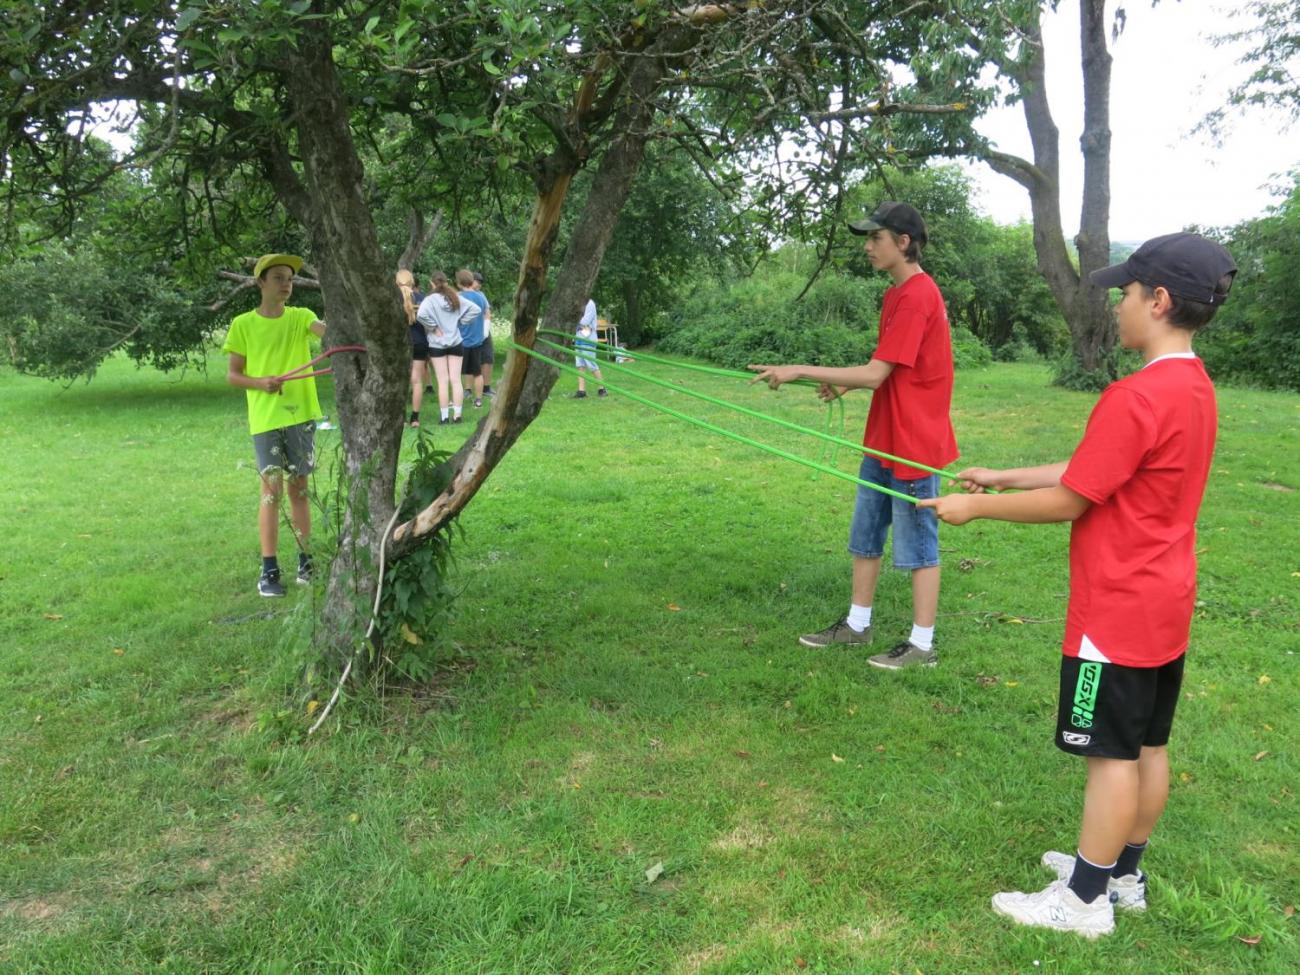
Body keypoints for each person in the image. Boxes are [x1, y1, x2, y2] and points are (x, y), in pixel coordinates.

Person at [920, 233, 1236, 937]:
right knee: (1147, 744)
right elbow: (1096, 467)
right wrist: (1003, 474)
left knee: (1109, 754)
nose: (1117, 305)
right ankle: (1122, 874)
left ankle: (1082, 901)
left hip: (1117, 608)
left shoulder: (1133, 394)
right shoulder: (1194, 386)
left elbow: (1073, 498)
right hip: (1164, 603)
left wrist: (975, 507)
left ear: (1158, 301)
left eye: (1125, 293)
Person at [749, 202, 956, 668]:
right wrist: (844, 381)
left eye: (875, 238)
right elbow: (890, 364)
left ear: (903, 242)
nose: (868, 247)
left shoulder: (919, 295)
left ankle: (922, 644)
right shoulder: (896, 294)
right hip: (886, 436)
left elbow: (877, 373)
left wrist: (799, 368)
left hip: (914, 443)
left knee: (918, 541)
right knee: (866, 533)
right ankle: (856, 626)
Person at [223, 253, 326, 597]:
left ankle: (306, 561)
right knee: (271, 492)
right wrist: (260, 383)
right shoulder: (243, 324)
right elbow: (234, 375)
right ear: (260, 283)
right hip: (266, 419)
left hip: (301, 415)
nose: (287, 284)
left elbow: (326, 333)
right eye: (279, 278)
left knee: (299, 490)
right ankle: (269, 570)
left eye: (290, 279)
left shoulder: (300, 317)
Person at [417, 271, 479, 424]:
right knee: (456, 379)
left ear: (432, 283)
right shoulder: (455, 297)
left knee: (442, 381)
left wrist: (433, 327)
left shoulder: (429, 300)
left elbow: (420, 315)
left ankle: (444, 417)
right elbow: (476, 310)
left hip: (437, 344)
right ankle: (457, 416)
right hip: (456, 343)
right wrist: (460, 322)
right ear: (446, 282)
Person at [397, 269, 427, 427]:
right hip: (420, 342)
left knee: (399, 381)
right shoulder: (422, 298)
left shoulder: (392, 298)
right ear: (412, 281)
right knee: (416, 381)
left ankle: (399, 418)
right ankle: (415, 418)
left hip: (399, 343)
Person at [456, 268, 489, 407]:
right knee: (477, 373)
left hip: (461, 341)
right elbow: (486, 314)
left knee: (456, 374)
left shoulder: (457, 297)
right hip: (477, 341)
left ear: (459, 283)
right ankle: (478, 400)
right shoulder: (481, 297)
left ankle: (457, 402)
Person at [573, 297, 607, 398]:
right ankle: (581, 391)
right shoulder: (578, 302)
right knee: (580, 365)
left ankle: (602, 388)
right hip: (578, 337)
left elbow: (585, 321)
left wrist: (573, 320)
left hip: (588, 337)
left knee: (591, 364)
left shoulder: (590, 303)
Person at [472, 271, 495, 399]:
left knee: (488, 357)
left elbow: (487, 311)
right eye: (477, 281)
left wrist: (485, 331)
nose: (479, 285)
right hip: (470, 332)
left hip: (483, 331)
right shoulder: (463, 295)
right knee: (471, 360)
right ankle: (468, 389)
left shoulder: (481, 295)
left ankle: (486, 388)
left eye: (480, 283)